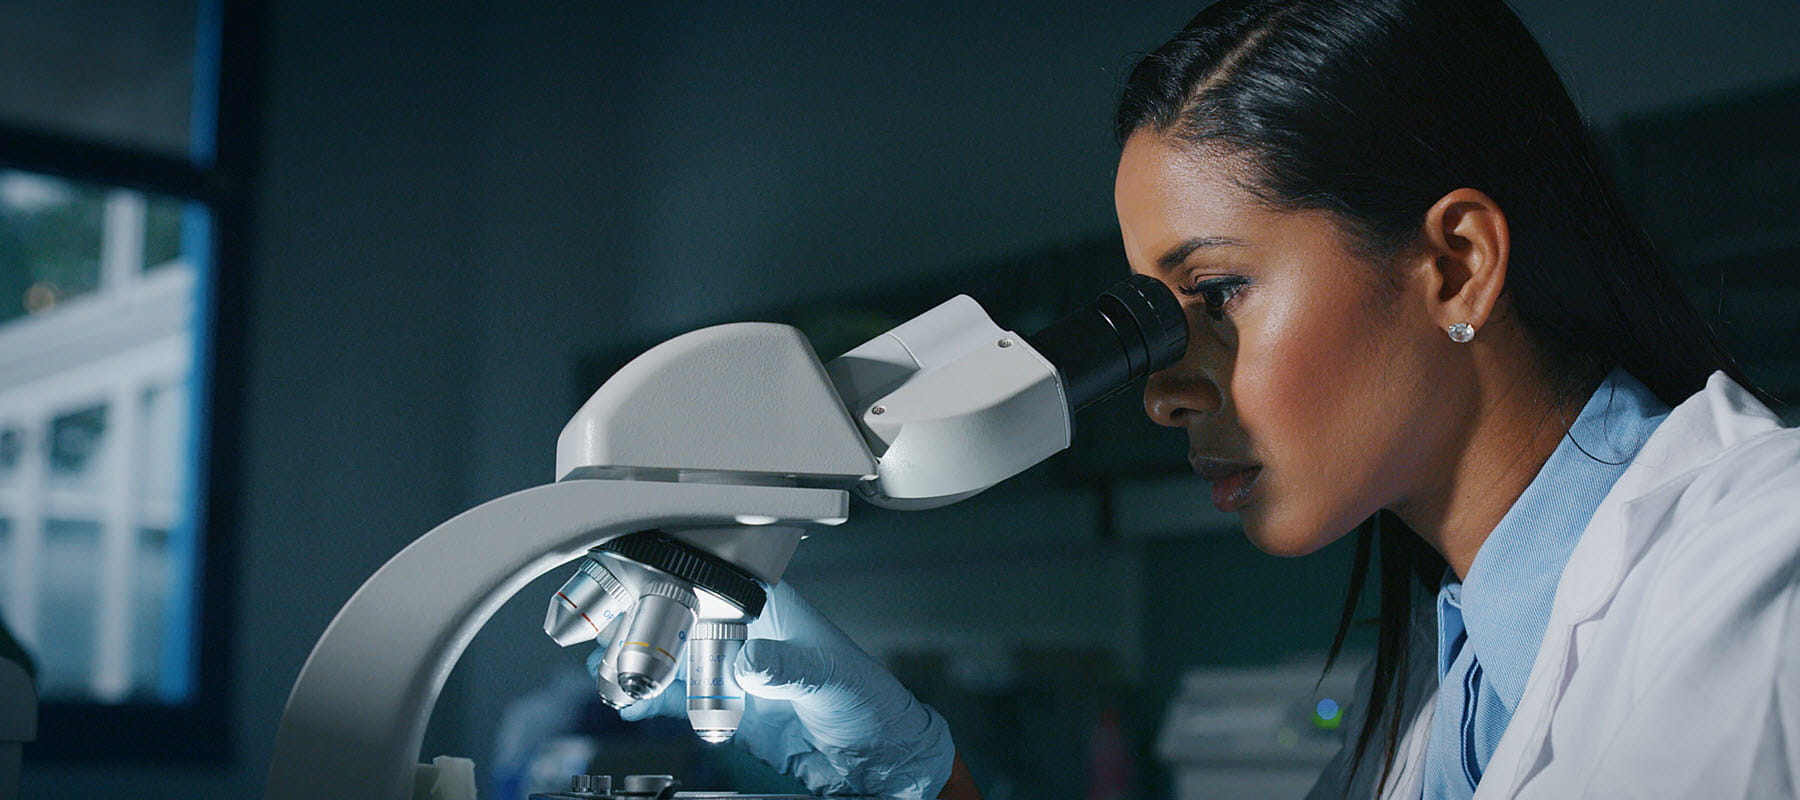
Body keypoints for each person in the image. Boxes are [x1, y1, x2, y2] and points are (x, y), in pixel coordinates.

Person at [612, 1, 1800, 798]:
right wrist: (919, 771)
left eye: (1217, 291)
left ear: (1455, 264)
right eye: (1152, 316)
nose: (1167, 389)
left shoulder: (1761, 569)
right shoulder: (1466, 681)